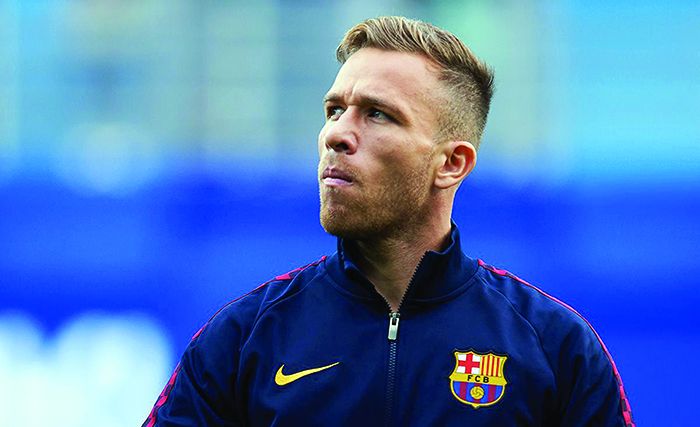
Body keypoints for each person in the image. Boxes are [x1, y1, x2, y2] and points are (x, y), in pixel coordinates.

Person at [143, 16, 634, 426]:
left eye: (377, 114)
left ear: (452, 164)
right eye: (335, 110)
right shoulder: (243, 338)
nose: (337, 134)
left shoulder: (554, 346)